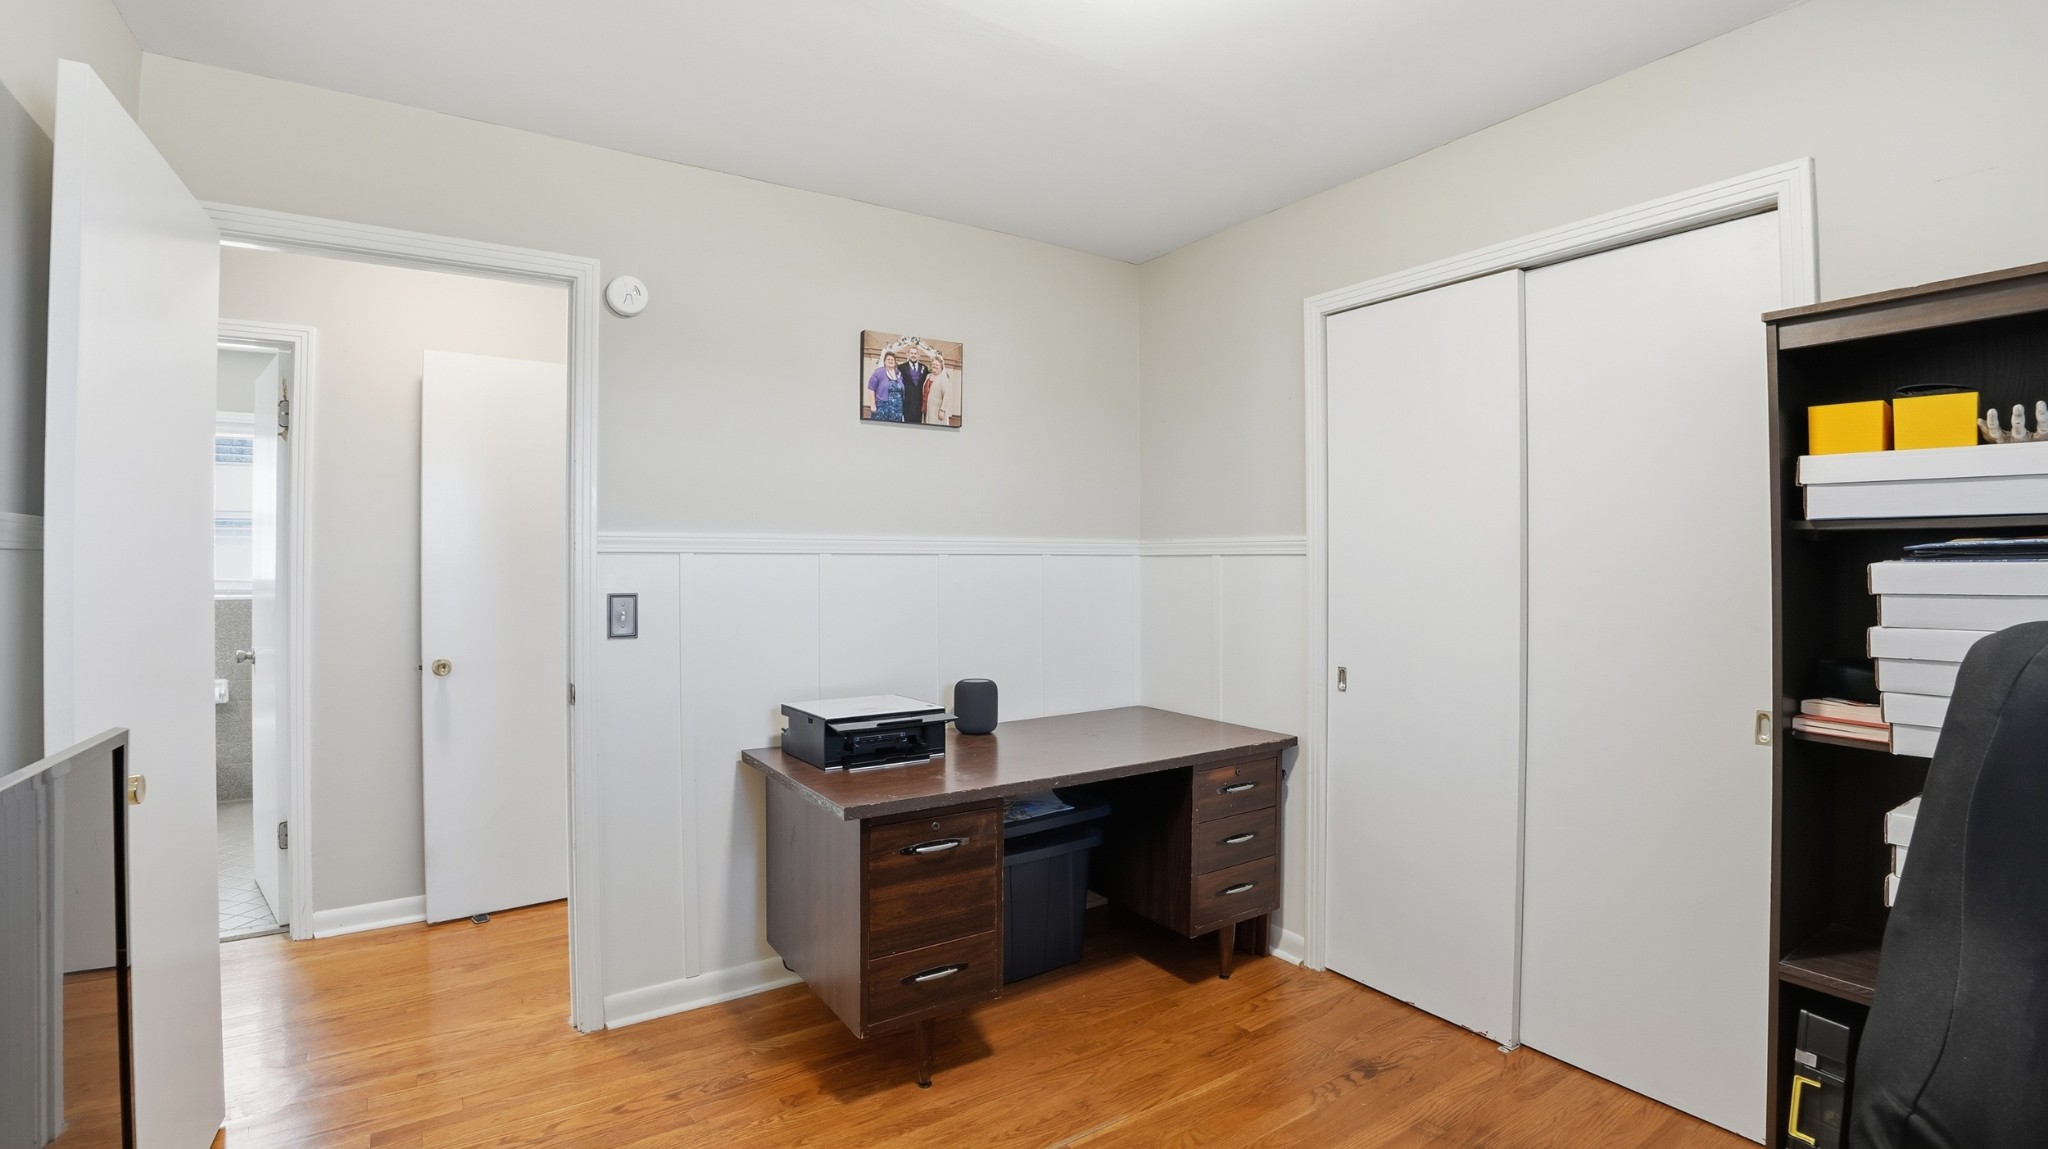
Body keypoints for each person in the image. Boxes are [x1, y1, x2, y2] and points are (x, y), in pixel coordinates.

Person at [865, 351, 905, 421]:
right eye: (888, 359)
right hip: (882, 407)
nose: (890, 361)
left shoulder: (898, 373)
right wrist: (872, 405)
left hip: (897, 409)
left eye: (892, 359)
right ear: (884, 362)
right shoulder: (878, 372)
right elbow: (871, 388)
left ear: (895, 362)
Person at [925, 359, 960, 426]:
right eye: (933, 364)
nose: (935, 366)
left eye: (937, 365)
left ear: (941, 367)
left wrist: (942, 410)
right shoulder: (928, 376)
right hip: (927, 409)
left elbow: (947, 396)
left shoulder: (944, 379)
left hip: (937, 410)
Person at [900, 350, 930, 421]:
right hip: (906, 402)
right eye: (911, 353)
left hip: (919, 402)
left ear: (918, 355)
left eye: (915, 353)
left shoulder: (924, 368)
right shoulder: (901, 367)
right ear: (907, 354)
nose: (913, 355)